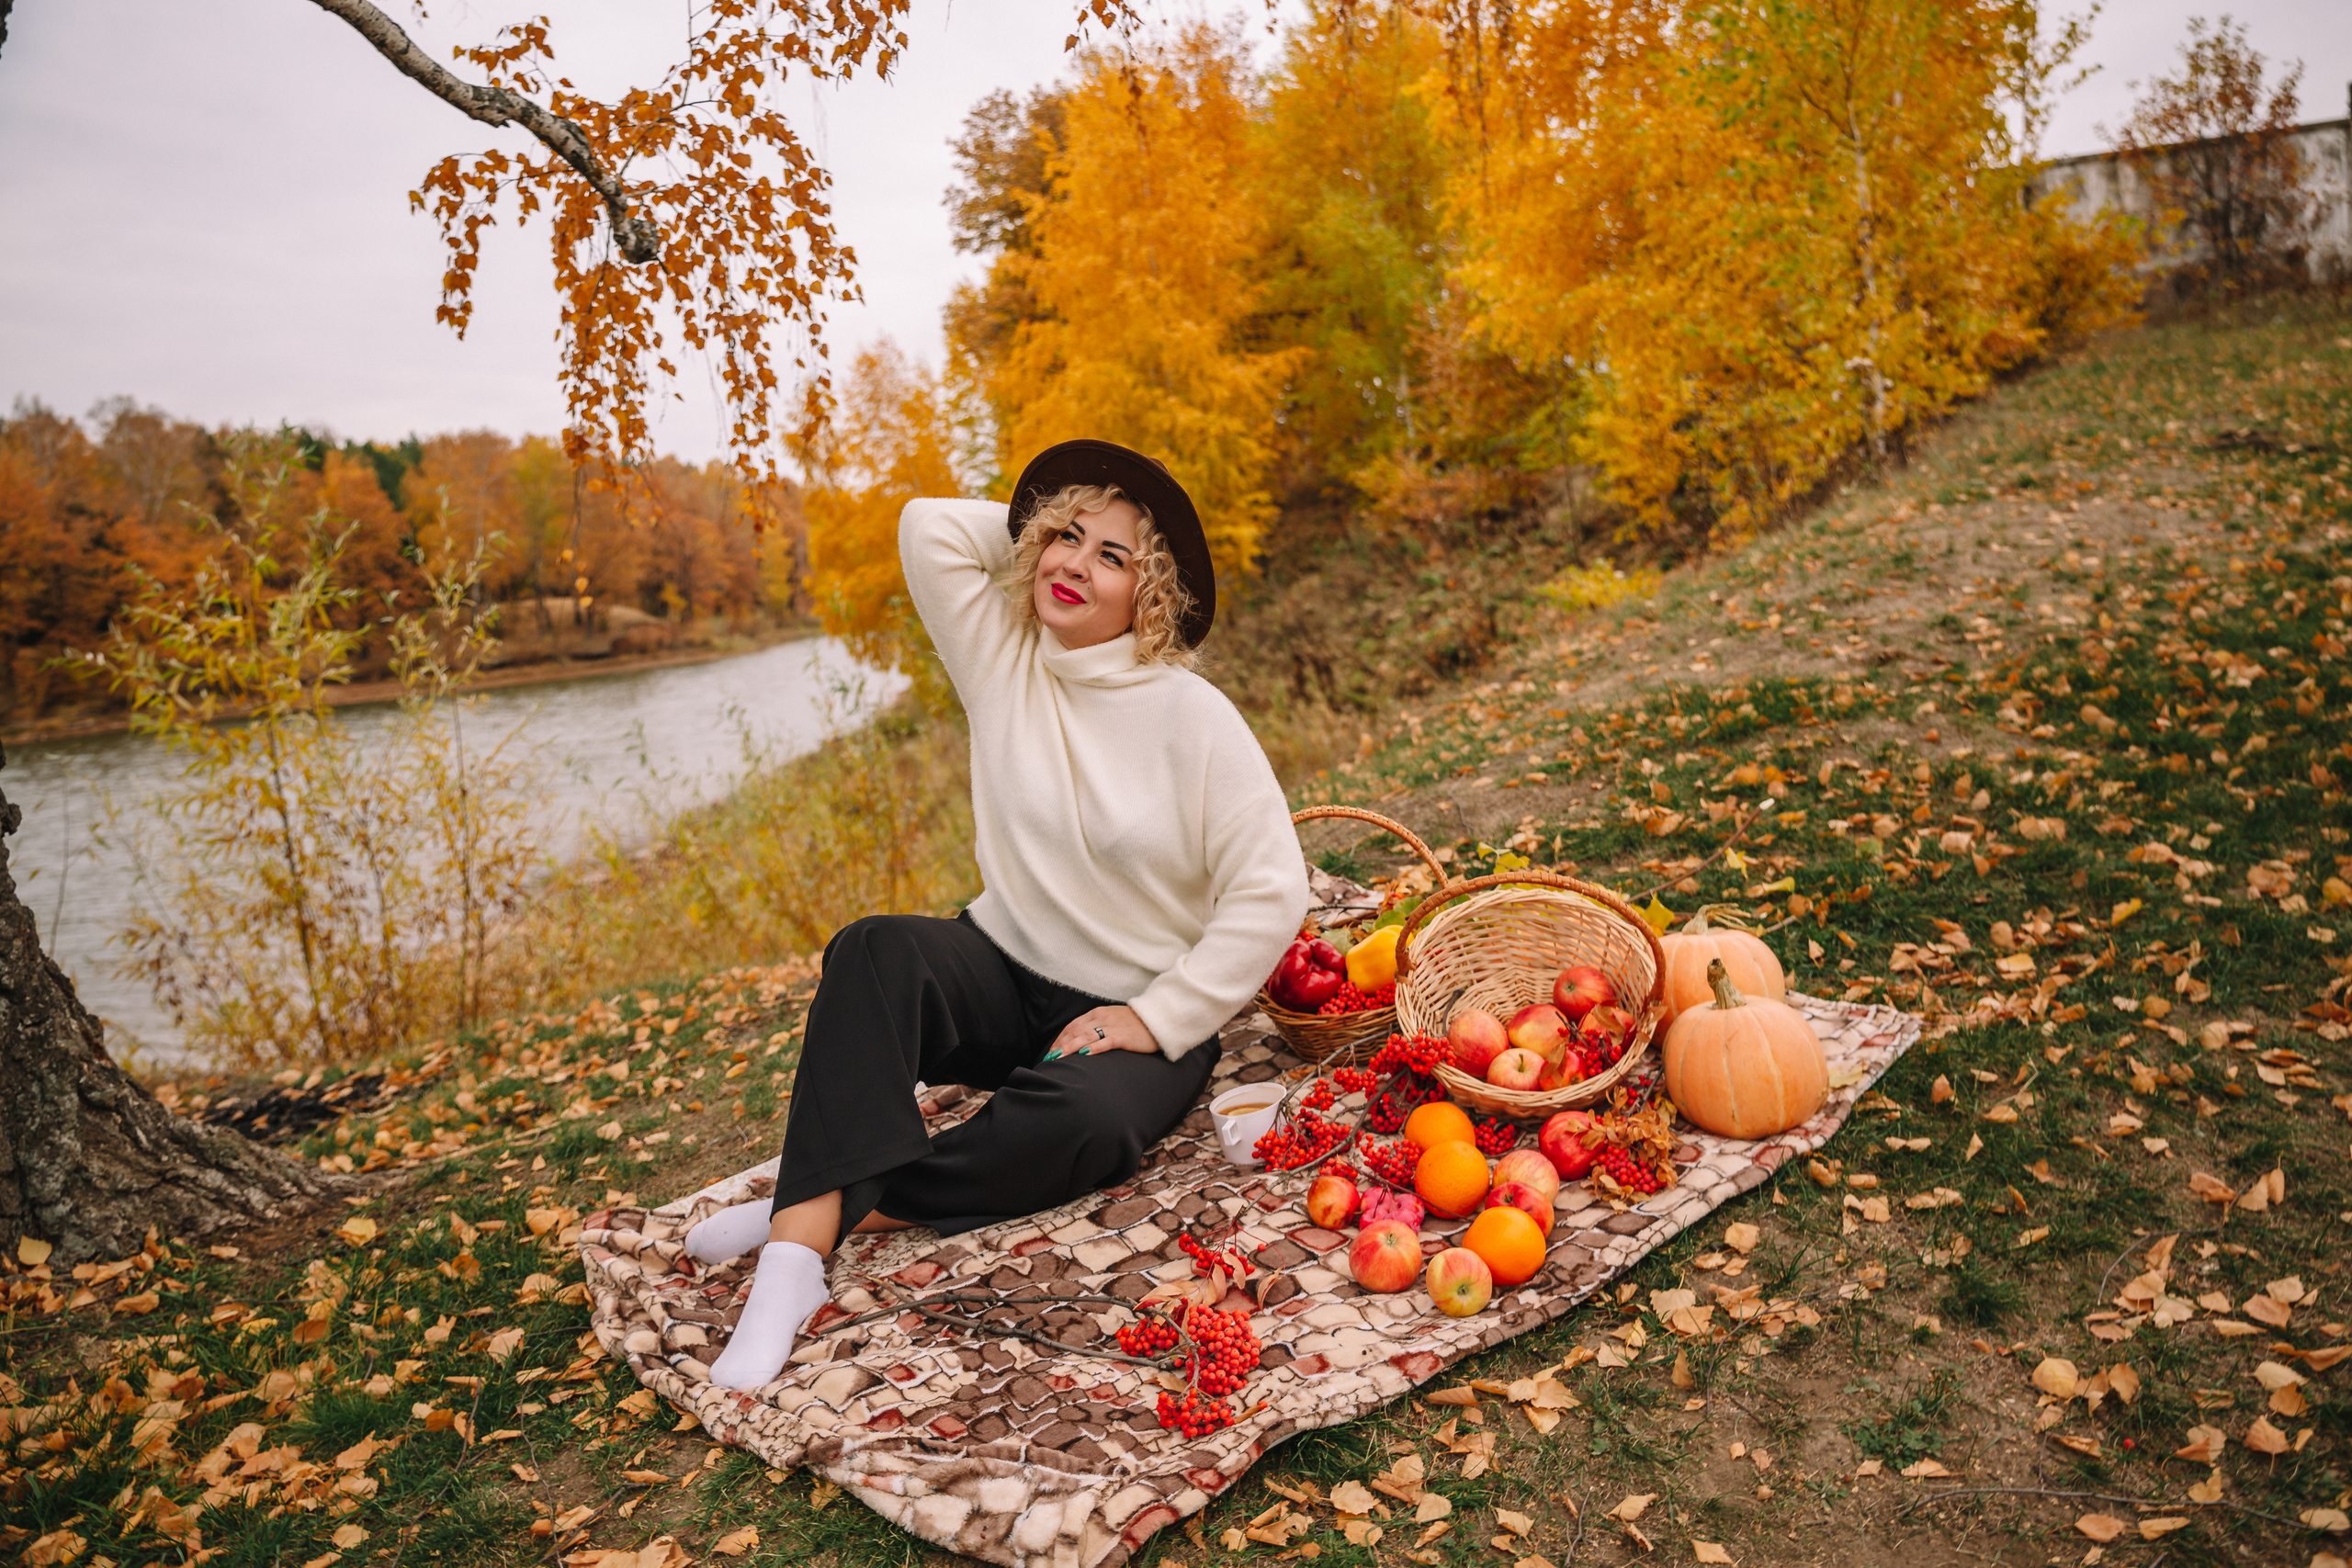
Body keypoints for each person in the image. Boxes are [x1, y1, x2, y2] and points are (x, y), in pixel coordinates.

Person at [692, 439, 1310, 1391]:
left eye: (1112, 557)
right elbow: (926, 527)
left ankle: (821, 1201)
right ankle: (793, 1269)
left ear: (1153, 594)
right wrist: (1050, 523)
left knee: (1090, 1131)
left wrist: (1156, 1018)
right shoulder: (1004, 654)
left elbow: (1272, 890)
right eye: (1062, 540)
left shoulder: (1193, 715)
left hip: (1131, 1011)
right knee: (872, 953)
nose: (1073, 564)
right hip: (1001, 966)